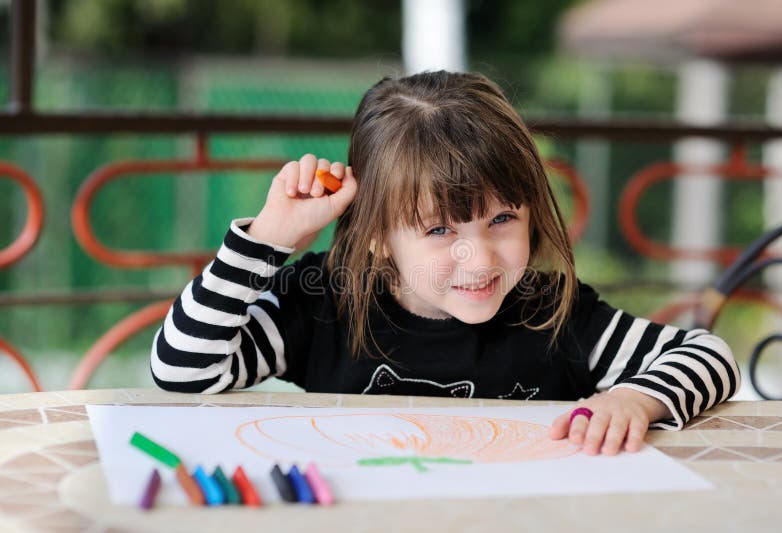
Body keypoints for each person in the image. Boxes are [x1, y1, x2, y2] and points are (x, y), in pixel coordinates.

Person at [151, 71, 739, 456]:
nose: (478, 258)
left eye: (502, 219)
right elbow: (182, 370)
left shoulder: (550, 314)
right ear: (378, 235)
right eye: (438, 230)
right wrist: (267, 239)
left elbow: (709, 356)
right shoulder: (328, 299)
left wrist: (636, 400)